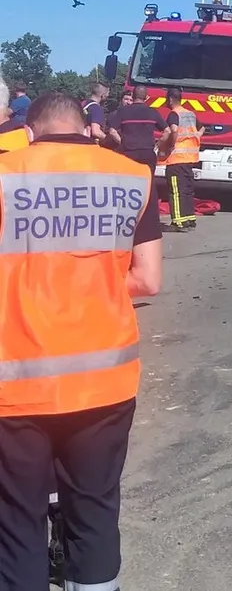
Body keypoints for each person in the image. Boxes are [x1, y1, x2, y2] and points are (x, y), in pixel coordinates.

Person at [0, 91, 163, 591]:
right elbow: (149, 281)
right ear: (86, 127)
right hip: (105, 381)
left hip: (17, 383)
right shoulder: (133, 177)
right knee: (94, 511)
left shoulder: (8, 174)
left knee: (17, 521)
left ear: (30, 132)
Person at [158, 87, 204, 231]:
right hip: (190, 158)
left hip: (176, 159)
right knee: (187, 190)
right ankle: (189, 218)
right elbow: (201, 129)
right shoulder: (190, 114)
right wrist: (195, 137)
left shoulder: (174, 114)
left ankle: (178, 221)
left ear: (171, 99)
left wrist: (171, 144)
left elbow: (174, 130)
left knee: (176, 191)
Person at [108, 85, 167, 177]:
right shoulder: (152, 112)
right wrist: (157, 145)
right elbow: (168, 131)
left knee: (129, 182)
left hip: (129, 153)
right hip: (148, 153)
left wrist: (122, 142)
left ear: (133, 96)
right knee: (148, 182)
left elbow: (112, 131)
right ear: (146, 97)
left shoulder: (123, 111)